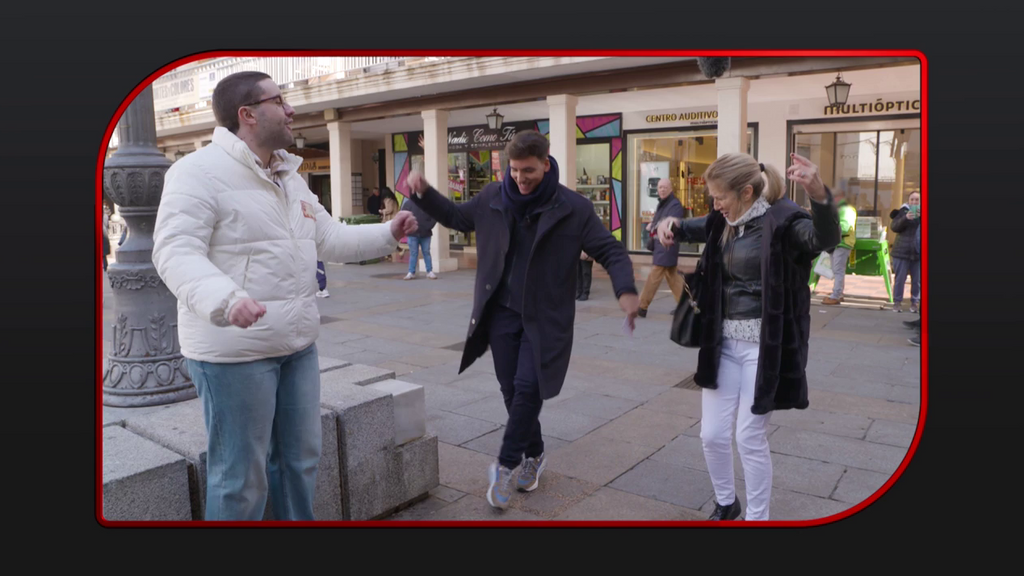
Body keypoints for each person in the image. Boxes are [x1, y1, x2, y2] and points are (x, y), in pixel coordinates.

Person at [151, 71, 417, 521]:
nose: (291, 109)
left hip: (296, 346)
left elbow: (328, 238)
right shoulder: (195, 172)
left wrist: (388, 233)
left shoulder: (289, 176)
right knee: (239, 479)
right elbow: (174, 251)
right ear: (248, 114)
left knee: (300, 463)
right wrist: (226, 298)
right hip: (233, 355)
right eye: (280, 100)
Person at [405, 130, 639, 511]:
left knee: (529, 388)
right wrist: (425, 193)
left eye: (528, 170)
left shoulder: (572, 207)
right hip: (501, 312)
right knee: (511, 391)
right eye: (514, 170)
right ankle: (536, 452)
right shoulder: (494, 197)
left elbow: (610, 250)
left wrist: (625, 290)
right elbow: (458, 218)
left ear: (546, 165)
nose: (520, 178)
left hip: (544, 316)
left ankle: (506, 464)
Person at [656, 152, 840, 521]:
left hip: (765, 349)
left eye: (719, 197)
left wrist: (818, 193)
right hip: (722, 346)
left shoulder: (785, 223)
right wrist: (672, 222)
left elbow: (825, 236)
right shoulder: (723, 222)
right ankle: (727, 502)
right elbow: (697, 225)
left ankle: (758, 518)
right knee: (711, 435)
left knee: (749, 438)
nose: (715, 204)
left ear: (745, 192)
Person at [638, 178, 686, 317]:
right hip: (661, 245)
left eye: (665, 187)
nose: (662, 190)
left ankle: (642, 306)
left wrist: (654, 226)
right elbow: (658, 221)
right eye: (660, 187)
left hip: (667, 245)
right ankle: (686, 306)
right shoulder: (663, 204)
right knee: (673, 277)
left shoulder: (675, 204)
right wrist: (653, 225)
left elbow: (671, 224)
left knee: (655, 274)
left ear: (671, 188)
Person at [821, 189, 857, 305]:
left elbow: (845, 226)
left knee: (838, 270)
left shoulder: (845, 210)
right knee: (837, 270)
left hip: (842, 242)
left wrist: (830, 228)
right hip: (839, 243)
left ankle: (836, 295)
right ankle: (838, 294)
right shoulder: (842, 209)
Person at [889, 192, 922, 313]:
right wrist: (905, 218)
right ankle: (897, 303)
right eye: (912, 200)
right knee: (900, 279)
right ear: (908, 201)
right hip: (901, 251)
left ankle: (915, 302)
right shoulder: (902, 212)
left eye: (917, 200)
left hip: (918, 252)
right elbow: (894, 227)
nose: (914, 202)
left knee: (917, 280)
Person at [400, 189, 438, 280]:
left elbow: (435, 216)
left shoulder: (429, 204)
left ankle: (429, 271)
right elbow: (403, 217)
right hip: (412, 234)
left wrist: (428, 226)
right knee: (414, 253)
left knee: (426, 252)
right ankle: (411, 272)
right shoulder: (408, 204)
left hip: (426, 233)